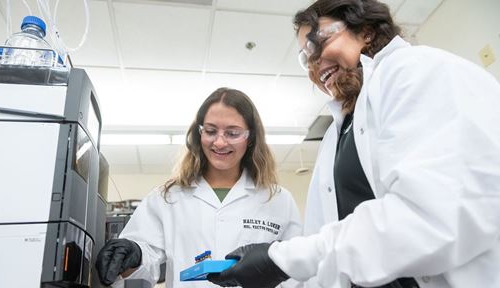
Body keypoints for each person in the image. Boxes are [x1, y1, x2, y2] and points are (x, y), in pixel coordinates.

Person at [207, 0, 500, 288]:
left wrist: (280, 259)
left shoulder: (414, 70)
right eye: (306, 56)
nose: (314, 60)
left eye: (320, 40)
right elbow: (327, 246)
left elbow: (432, 216)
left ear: (367, 30)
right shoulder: (338, 133)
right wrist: (278, 268)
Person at [95, 87, 302, 287]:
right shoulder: (168, 197)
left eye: (232, 133)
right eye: (211, 131)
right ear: (198, 133)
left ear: (250, 138)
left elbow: (297, 271)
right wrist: (135, 254)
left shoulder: (278, 200)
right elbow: (145, 259)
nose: (219, 143)